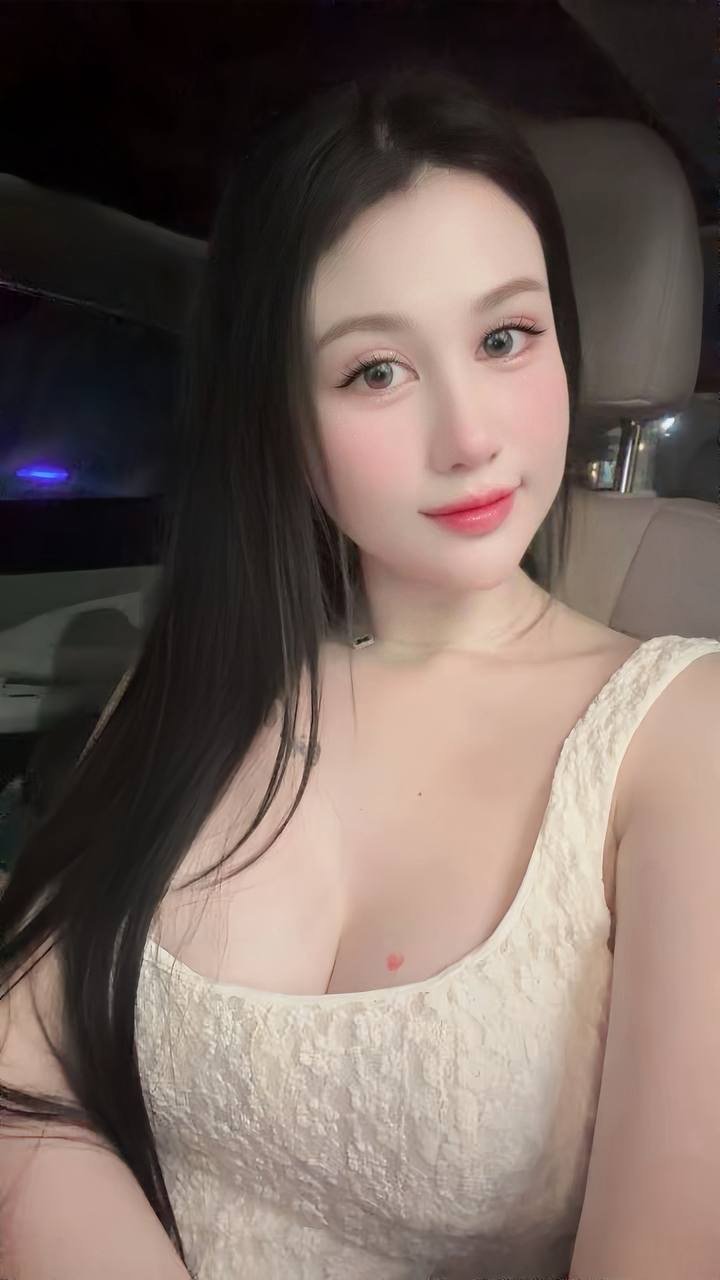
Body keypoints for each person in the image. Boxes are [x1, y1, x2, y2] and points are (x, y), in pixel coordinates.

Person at [1, 61, 719, 1280]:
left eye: (506, 337)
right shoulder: (199, 681)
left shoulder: (681, 736)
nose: (470, 435)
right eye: (376, 369)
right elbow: (20, 1076)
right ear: (281, 415)